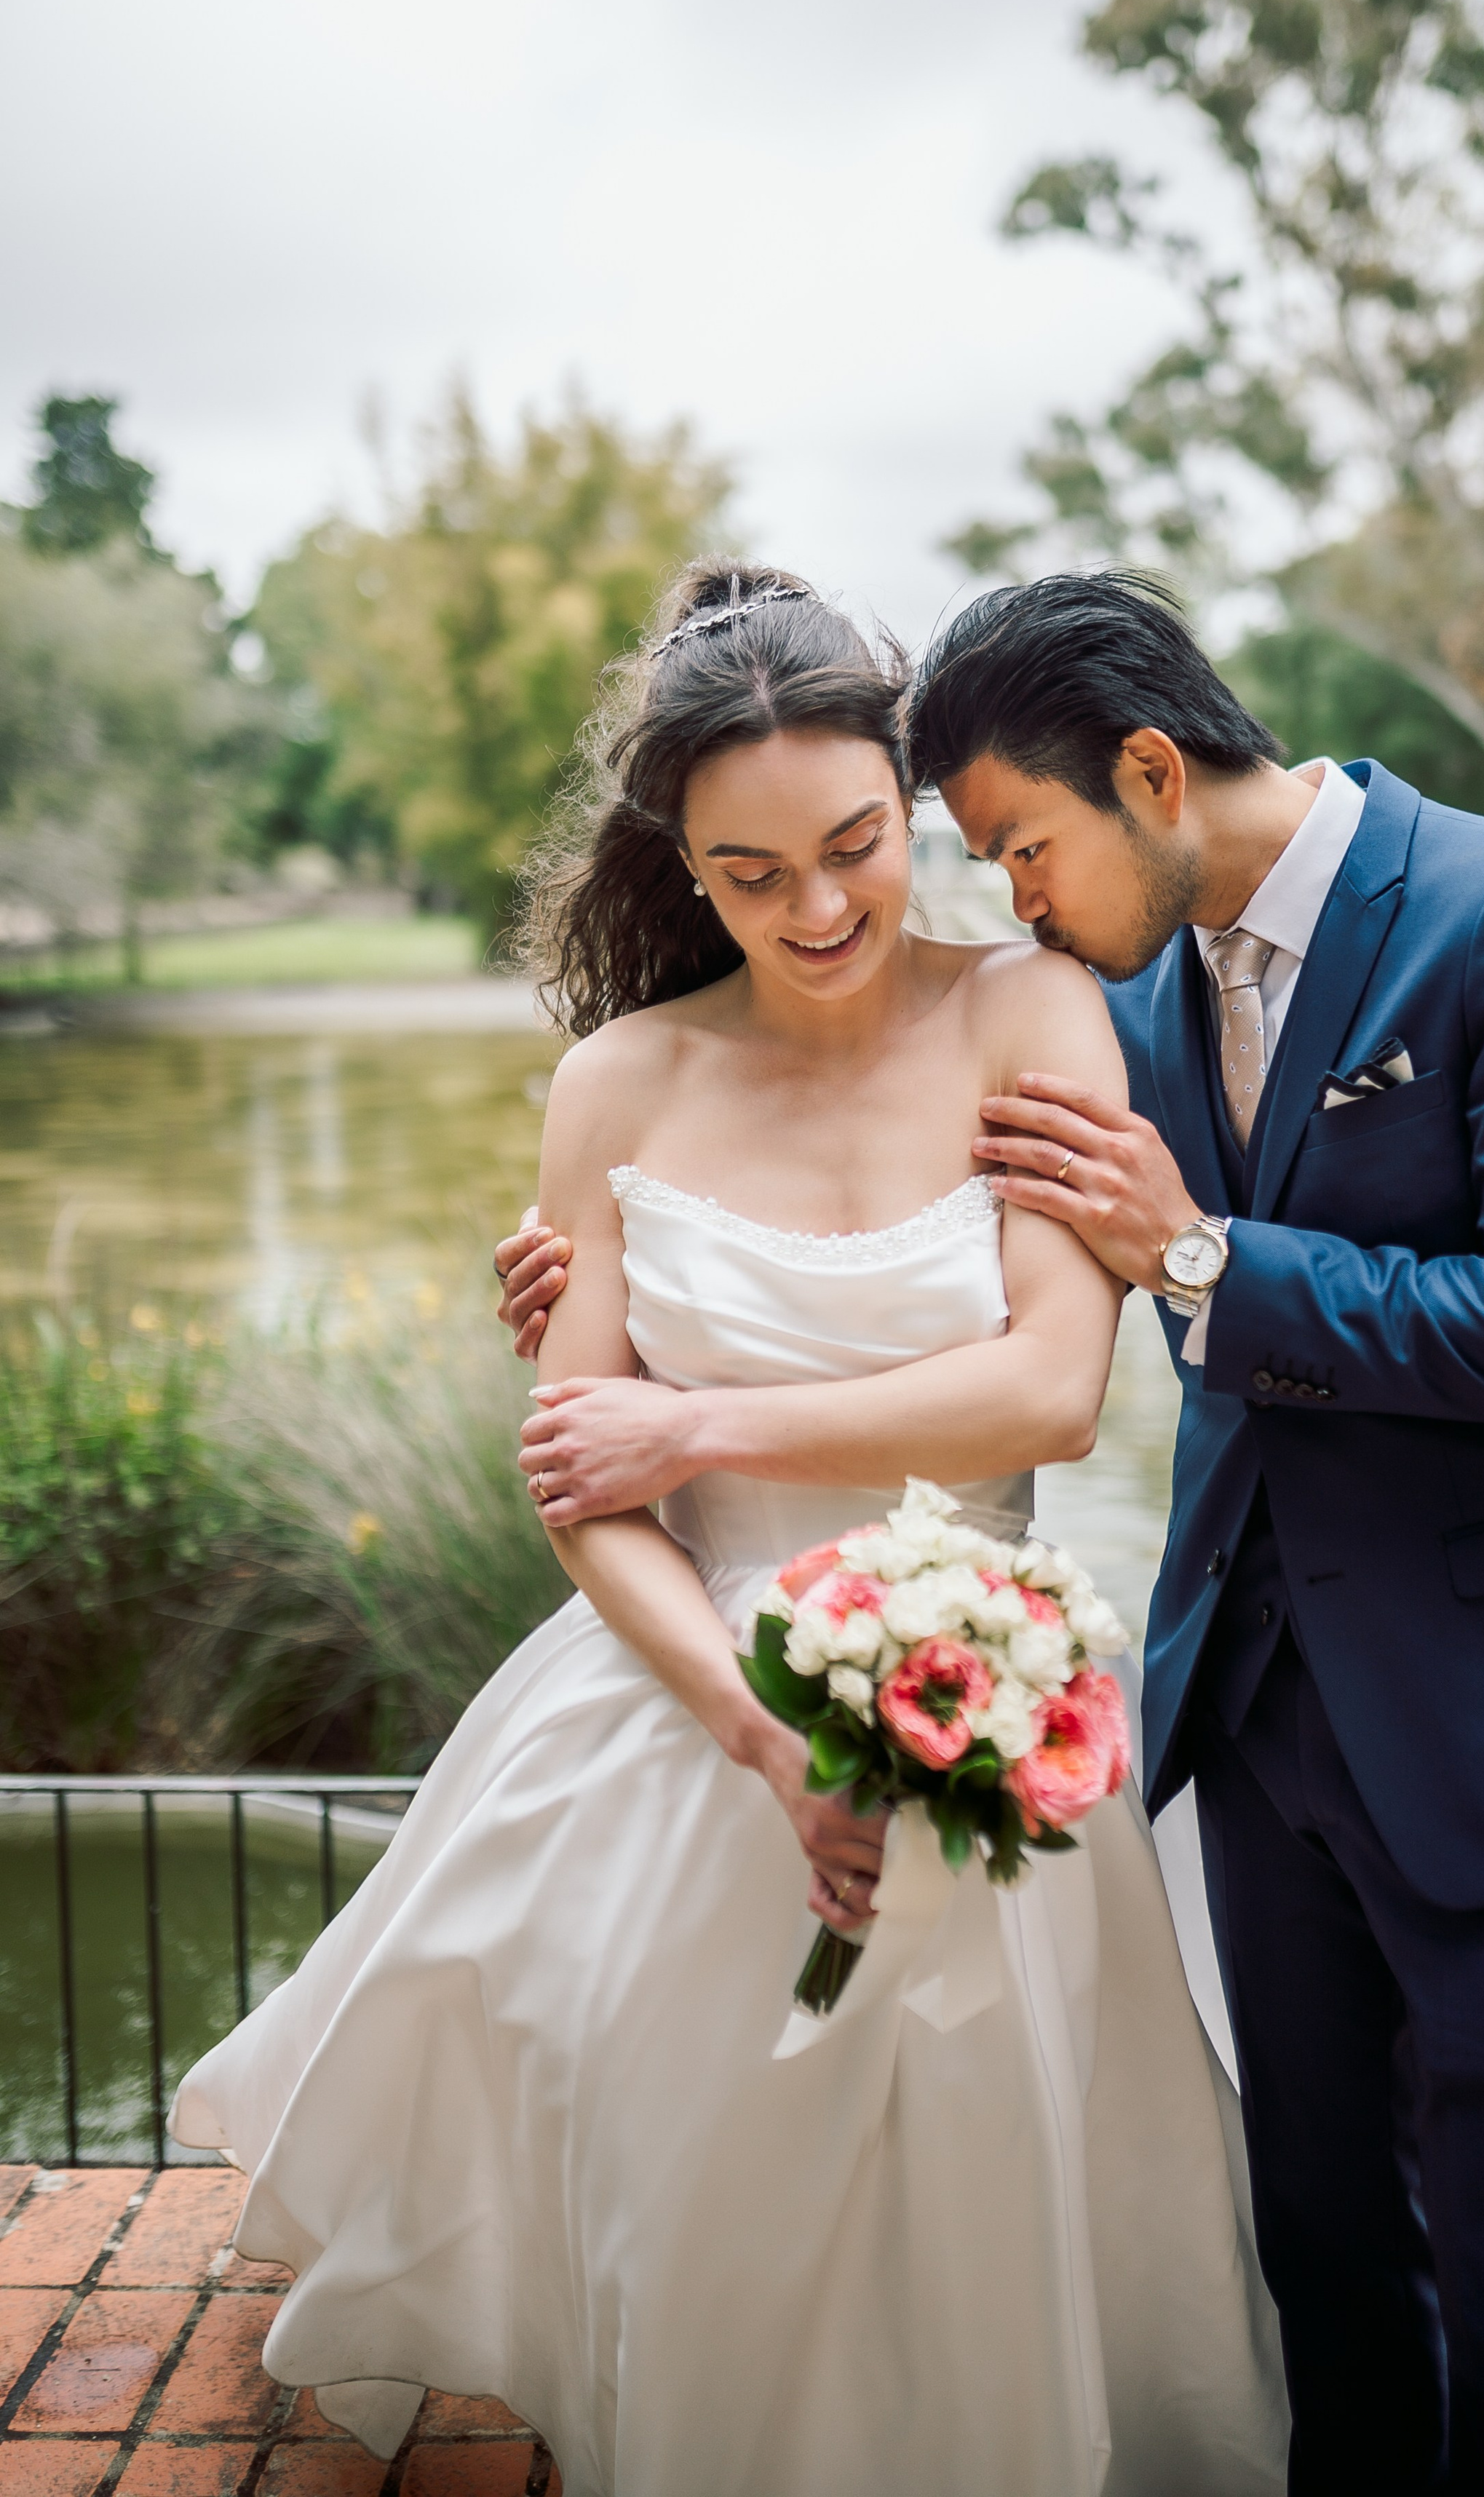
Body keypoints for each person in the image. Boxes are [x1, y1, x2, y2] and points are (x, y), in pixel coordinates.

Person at [507, 568, 1484, 2497]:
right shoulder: (1133, 989)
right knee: (1335, 2285)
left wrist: (1196, 1253)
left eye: (1017, 845)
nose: (1006, 897)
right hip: (1262, 1734)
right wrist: (608, 1280)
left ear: (1149, 770)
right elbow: (893, 1203)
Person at [172, 563, 1287, 2497]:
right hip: (680, 1724)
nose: (821, 907)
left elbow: (1046, 1391)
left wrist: (697, 1415)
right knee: (703, 2245)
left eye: (855, 845)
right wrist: (768, 1735)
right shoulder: (619, 1082)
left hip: (996, 1708)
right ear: (679, 862)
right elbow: (583, 1491)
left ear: (911, 806)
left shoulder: (1036, 1006)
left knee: (1001, 2225)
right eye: (749, 873)